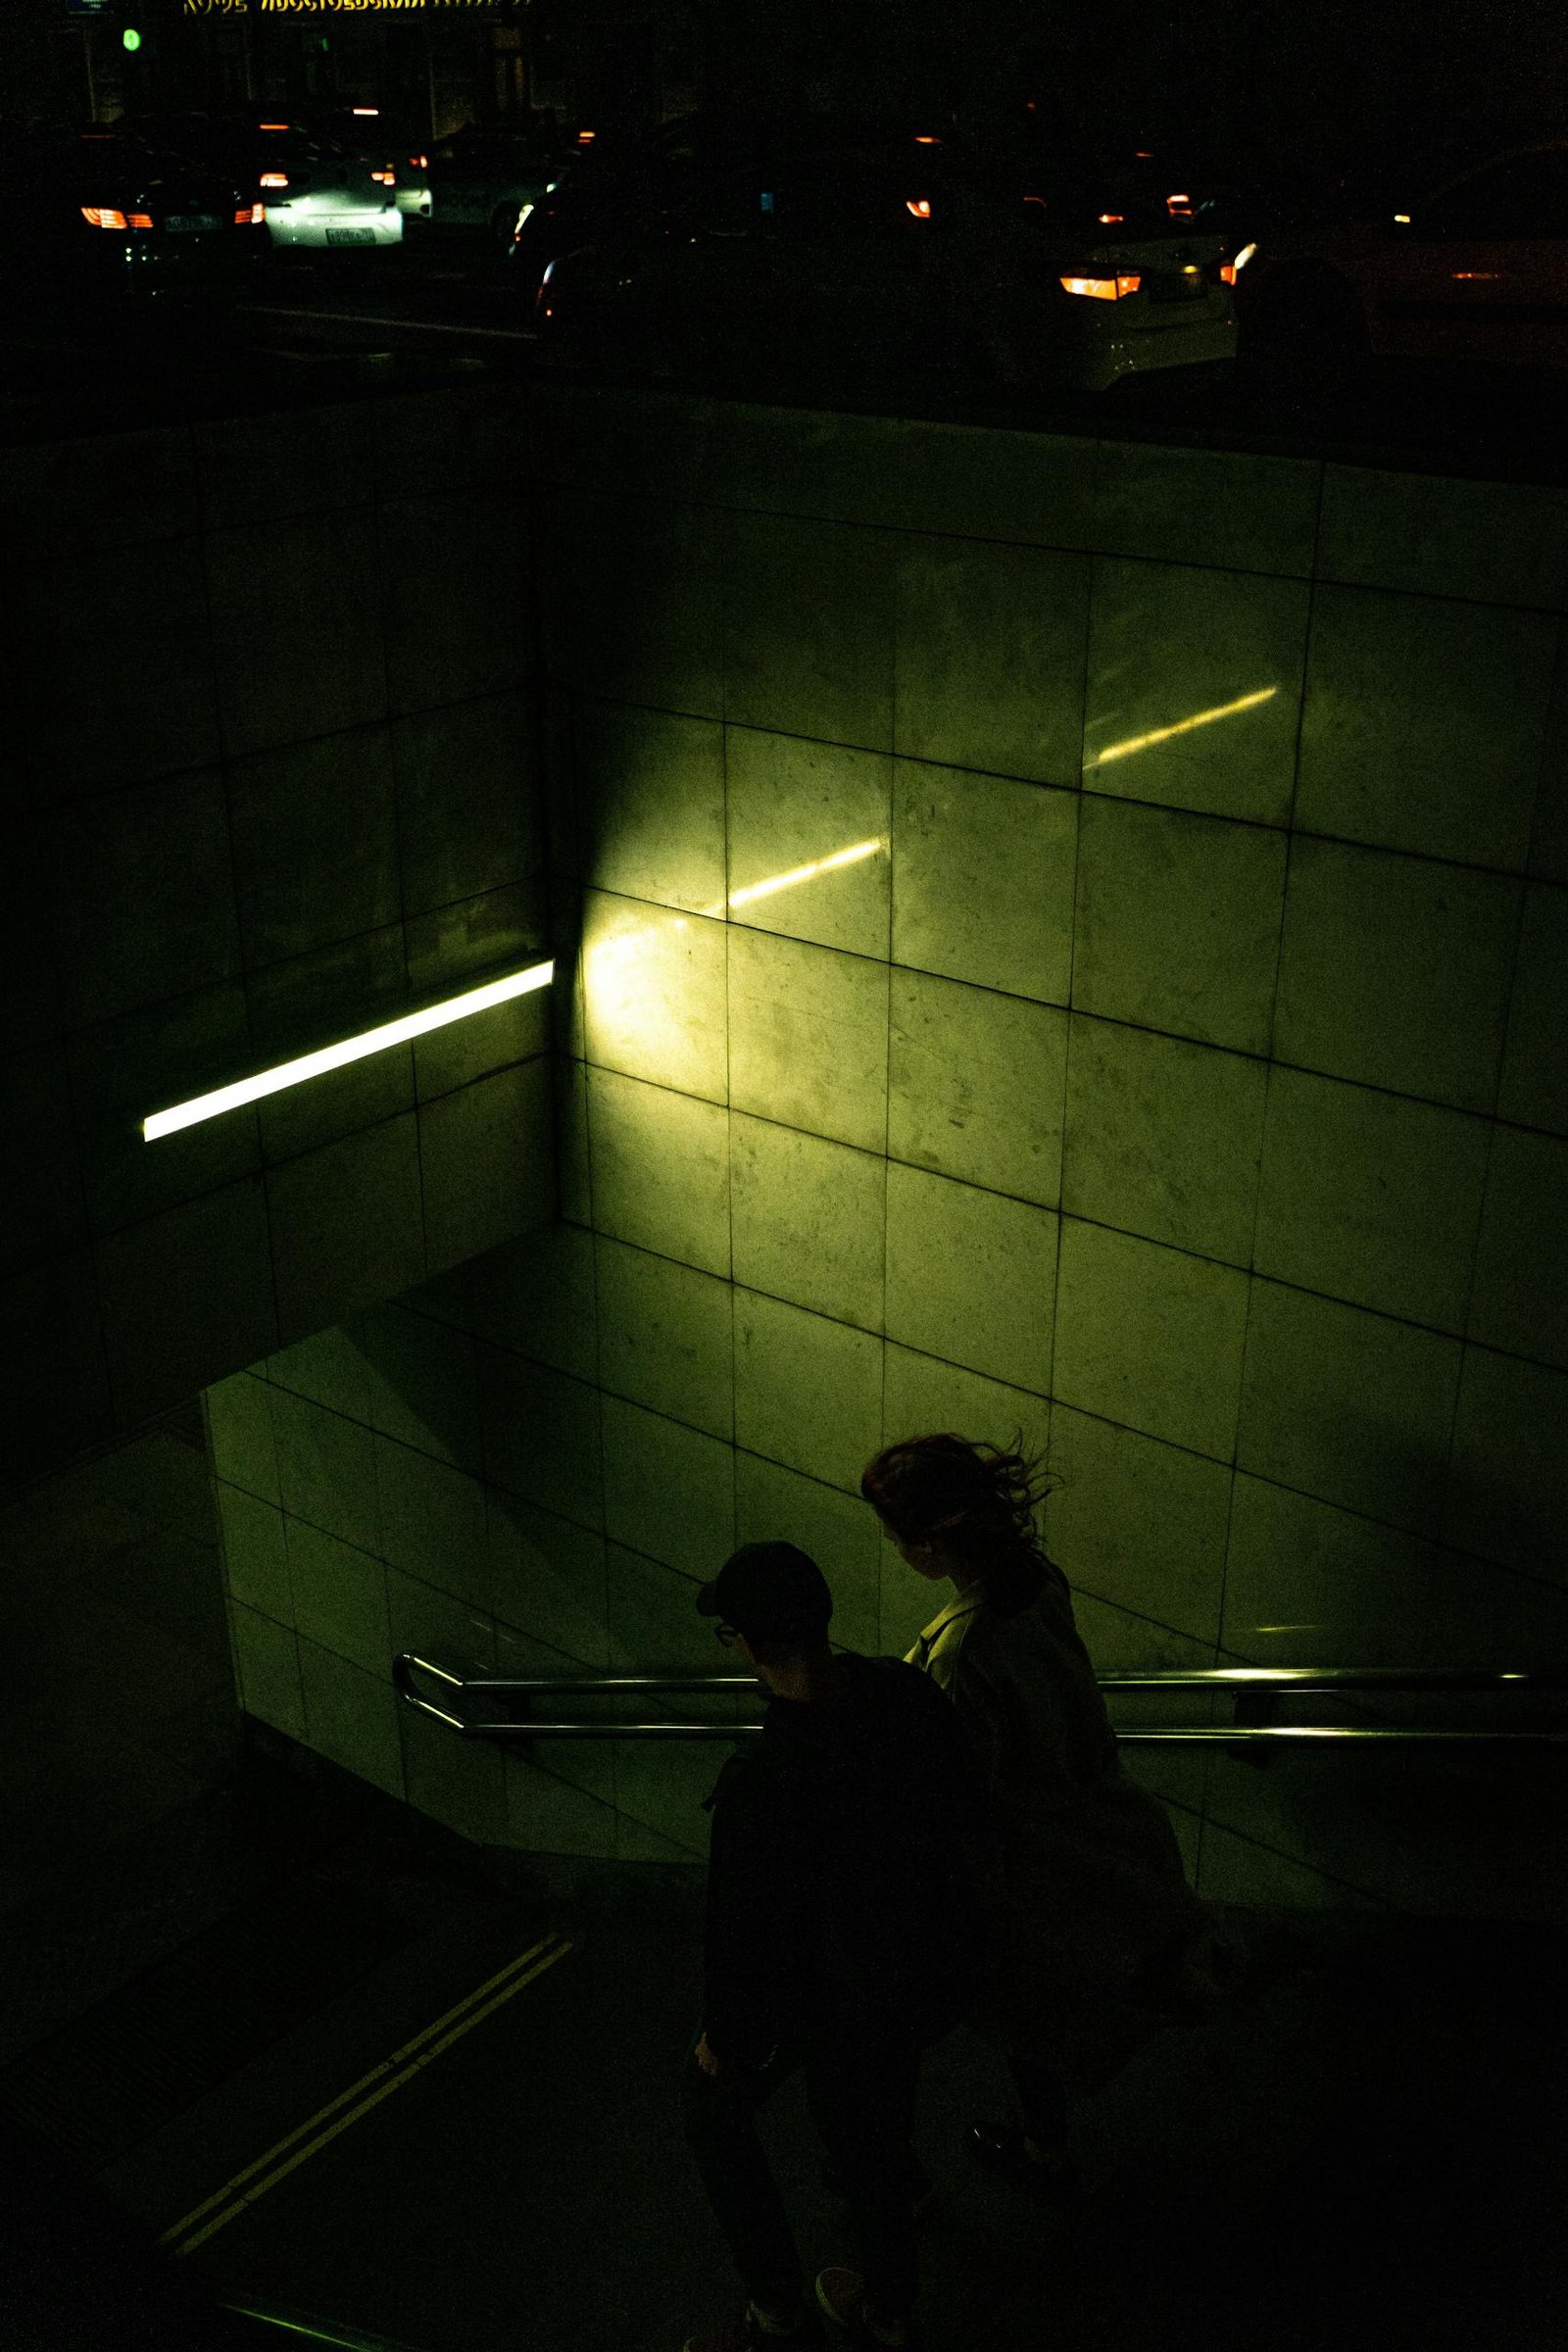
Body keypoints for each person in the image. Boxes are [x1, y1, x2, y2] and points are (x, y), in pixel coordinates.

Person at [859, 1433, 1240, 2194]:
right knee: (1098, 1979)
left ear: (930, 1545)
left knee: (1027, 2011)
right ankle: (1052, 2130)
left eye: (897, 1537)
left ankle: (1046, 2148)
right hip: (1101, 1818)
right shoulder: (1035, 1581)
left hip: (1037, 1862)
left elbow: (968, 1792)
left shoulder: (961, 1654)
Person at [680, 1541, 989, 2352]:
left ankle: (777, 2308)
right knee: (875, 2140)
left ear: (747, 1644)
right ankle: (887, 2307)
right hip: (914, 1974)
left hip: (824, 2002)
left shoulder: (763, 1778)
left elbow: (743, 1934)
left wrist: (726, 2038)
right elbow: (963, 1810)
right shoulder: (904, 1693)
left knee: (717, 2119)